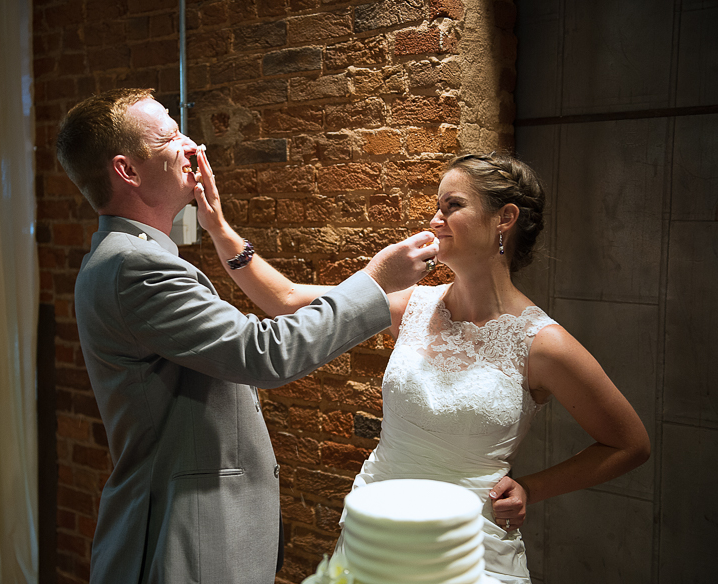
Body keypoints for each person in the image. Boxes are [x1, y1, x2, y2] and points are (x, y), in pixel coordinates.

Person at [197, 152, 651, 583]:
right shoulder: (411, 307)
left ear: (504, 219)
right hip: (374, 534)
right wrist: (219, 229)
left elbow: (628, 444)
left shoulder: (542, 343)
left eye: (452, 206)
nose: (435, 220)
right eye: (436, 207)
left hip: (469, 549)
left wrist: (531, 488)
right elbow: (289, 300)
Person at [54, 88, 438, 584]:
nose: (192, 145)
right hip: (184, 533)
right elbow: (263, 353)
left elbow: (281, 303)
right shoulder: (136, 266)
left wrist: (219, 227)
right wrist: (376, 279)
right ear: (127, 171)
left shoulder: (130, 254)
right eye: (171, 136)